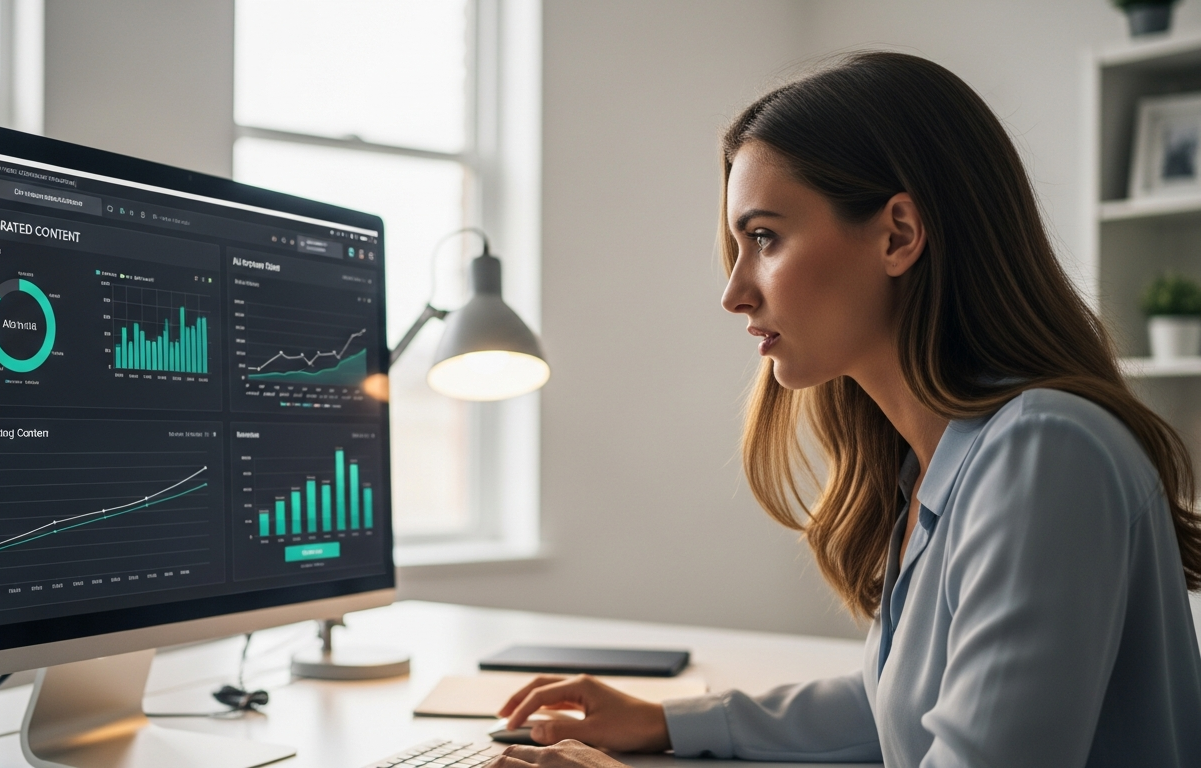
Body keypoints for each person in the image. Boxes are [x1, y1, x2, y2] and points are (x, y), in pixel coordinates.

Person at [488, 51, 1201, 768]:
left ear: (898, 234)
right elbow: (888, 703)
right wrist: (667, 723)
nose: (734, 292)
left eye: (763, 238)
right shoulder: (938, 462)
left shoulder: (1045, 452)